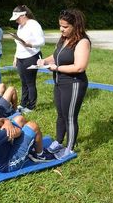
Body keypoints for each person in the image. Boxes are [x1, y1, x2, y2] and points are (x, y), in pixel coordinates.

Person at [37, 9, 91, 159]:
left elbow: (80, 66)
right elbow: (57, 56)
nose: (61, 29)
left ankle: (70, 148)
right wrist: (45, 61)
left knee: (70, 116)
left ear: (76, 25)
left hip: (74, 84)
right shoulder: (63, 39)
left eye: (65, 26)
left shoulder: (82, 42)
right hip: (59, 82)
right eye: (60, 25)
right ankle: (58, 142)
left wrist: (57, 68)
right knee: (61, 115)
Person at [0, 101, 55, 173]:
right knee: (33, 126)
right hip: (9, 164)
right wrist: (7, 124)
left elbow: (0, 121)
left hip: (4, 149)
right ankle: (39, 156)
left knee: (20, 119)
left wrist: (7, 122)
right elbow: (18, 132)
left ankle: (29, 146)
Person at [9, 5, 45, 114]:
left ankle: (31, 106)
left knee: (30, 83)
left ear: (24, 15)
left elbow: (42, 42)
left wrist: (30, 44)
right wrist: (16, 57)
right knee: (23, 82)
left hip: (31, 57)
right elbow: (19, 44)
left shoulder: (34, 24)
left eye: (17, 19)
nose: (16, 21)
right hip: (21, 57)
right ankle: (23, 103)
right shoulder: (20, 26)